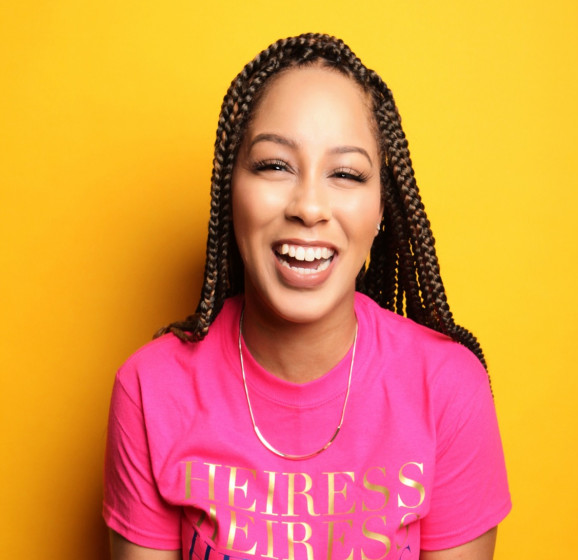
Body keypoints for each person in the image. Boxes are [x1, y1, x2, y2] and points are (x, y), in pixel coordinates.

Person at [103, 33, 511, 560]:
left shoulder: (448, 389)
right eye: (275, 165)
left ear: (381, 210)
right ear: (230, 192)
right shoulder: (150, 391)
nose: (309, 207)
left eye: (346, 173)